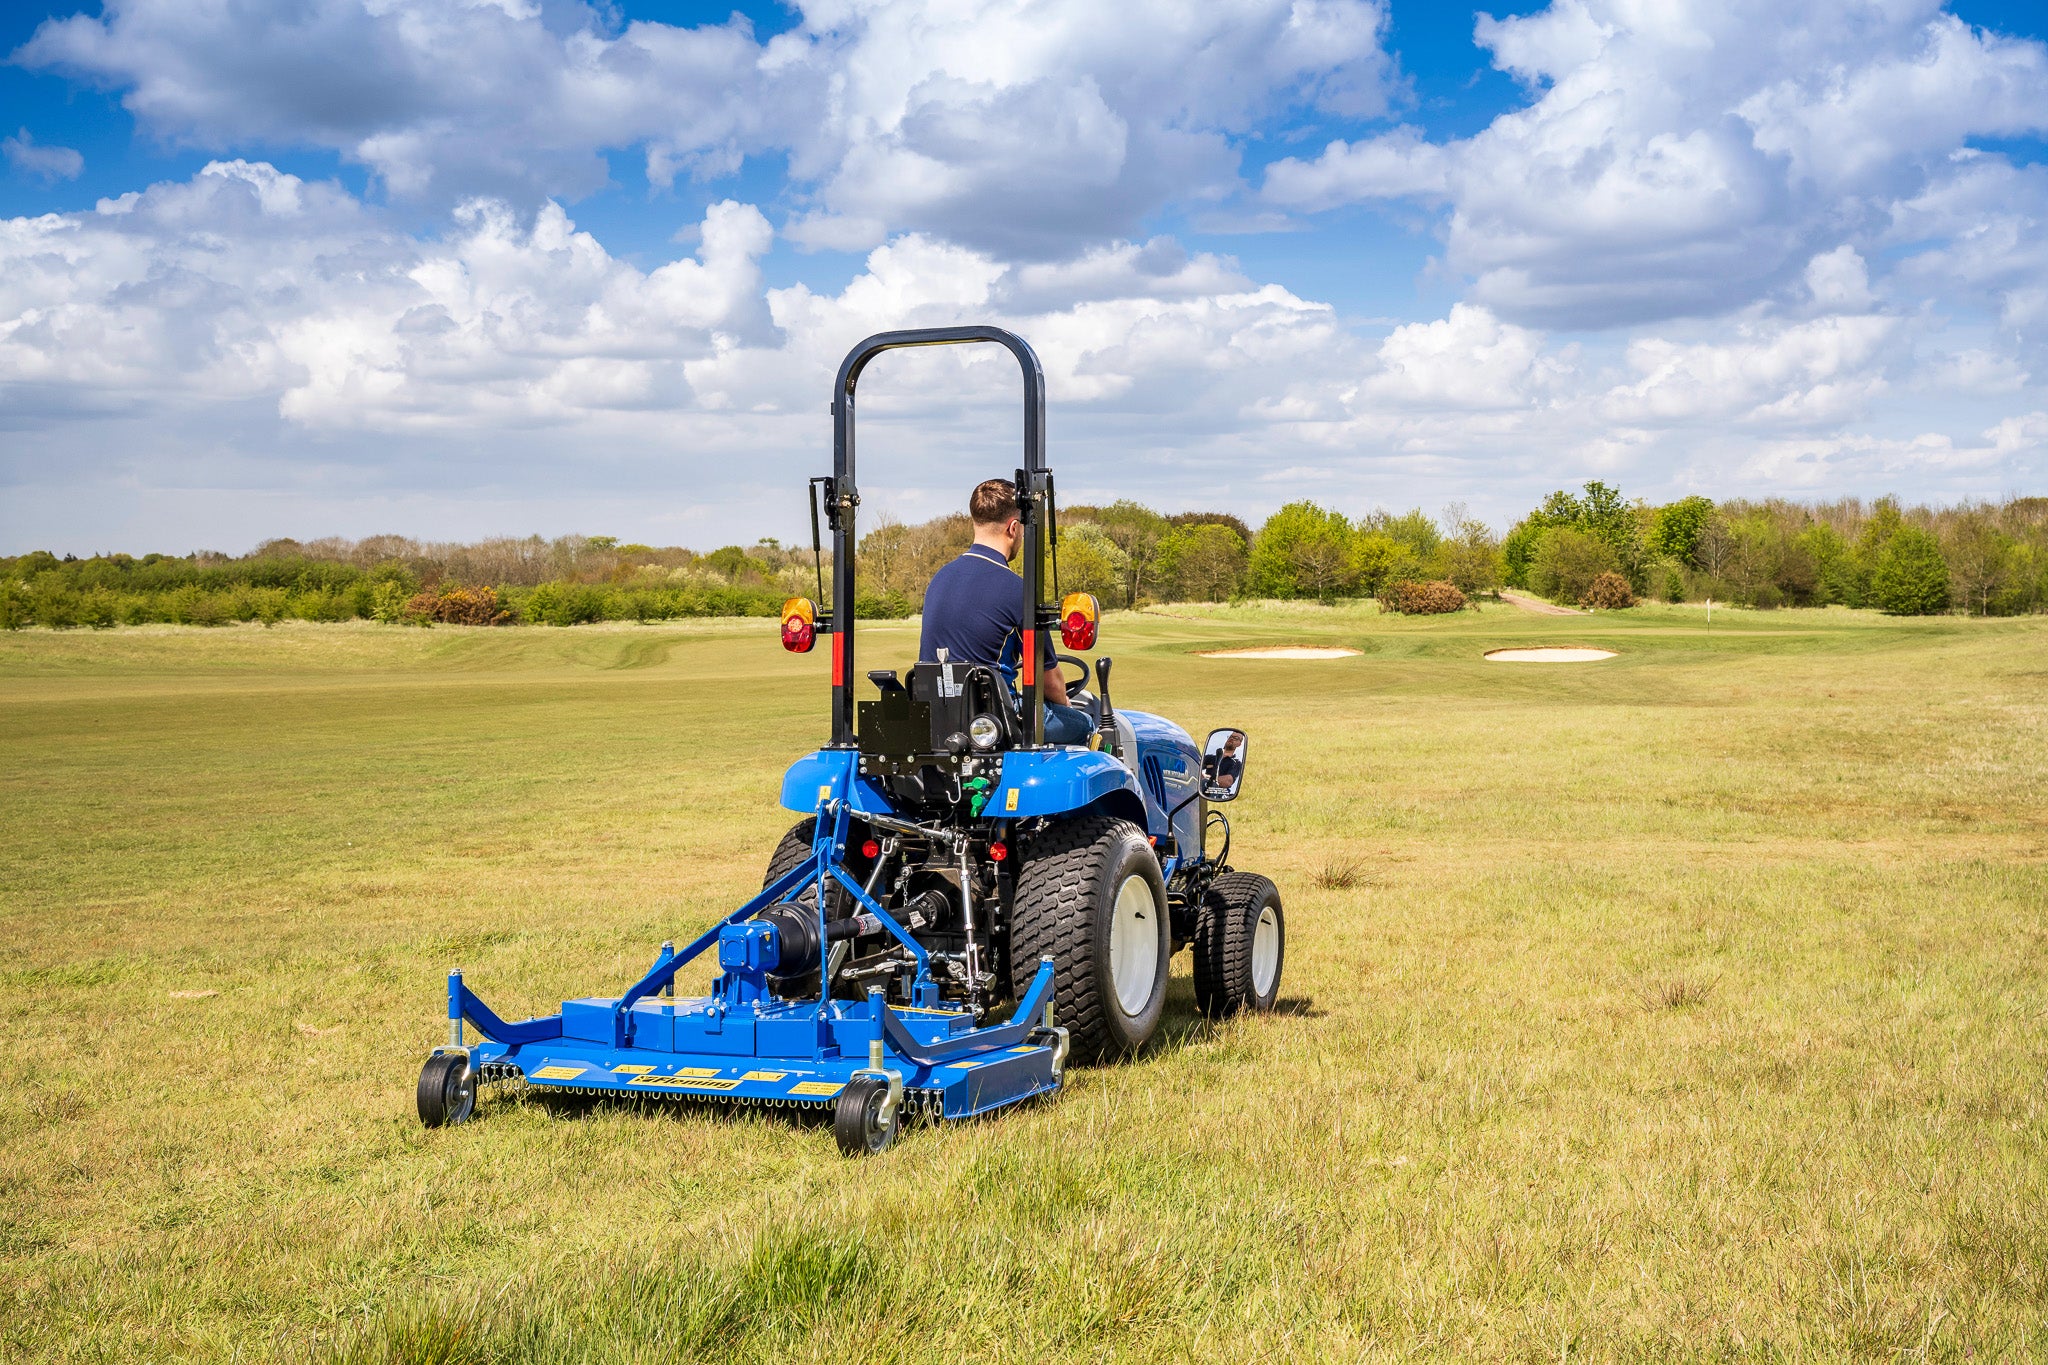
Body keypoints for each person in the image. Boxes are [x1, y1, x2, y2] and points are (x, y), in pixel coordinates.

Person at [920, 478, 1096, 746]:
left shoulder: (939, 579)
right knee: (1085, 724)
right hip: (994, 720)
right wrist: (1066, 706)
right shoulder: (1016, 590)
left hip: (938, 716)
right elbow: (1051, 683)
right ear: (1013, 528)